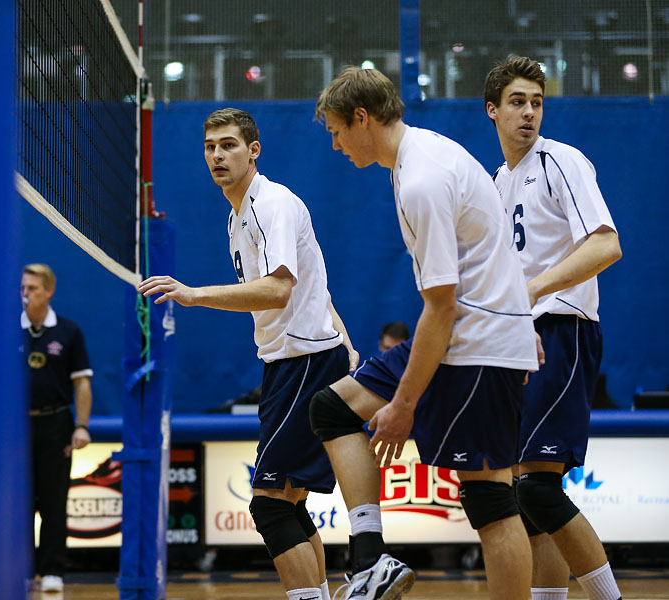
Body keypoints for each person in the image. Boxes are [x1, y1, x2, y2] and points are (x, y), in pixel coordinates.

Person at [309, 66, 541, 600]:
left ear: (362, 118)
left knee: (491, 501)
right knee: (333, 408)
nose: (337, 144)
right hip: (476, 330)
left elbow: (441, 303)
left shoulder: (422, 178)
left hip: (477, 342)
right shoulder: (420, 156)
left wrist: (405, 403)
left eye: (337, 130)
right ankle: (370, 561)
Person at [138, 108, 359, 600]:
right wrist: (344, 339)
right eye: (210, 147)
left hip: (303, 362)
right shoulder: (238, 216)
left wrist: (193, 294)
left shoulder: (271, 204)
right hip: (293, 362)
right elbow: (311, 284)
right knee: (291, 501)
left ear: (253, 150)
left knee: (271, 505)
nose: (217, 154)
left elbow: (279, 289)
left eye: (229, 145)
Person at [484, 56, 623, 600]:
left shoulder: (561, 161)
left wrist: (534, 290)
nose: (529, 113)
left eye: (537, 102)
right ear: (492, 110)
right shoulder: (497, 180)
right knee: (527, 494)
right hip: (521, 342)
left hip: (562, 331)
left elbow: (606, 245)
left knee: (539, 489)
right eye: (517, 102)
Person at [20, 263, 94, 594]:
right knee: (16, 502)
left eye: (32, 289)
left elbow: (82, 385)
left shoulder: (68, 332)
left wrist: (81, 426)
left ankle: (52, 570)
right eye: (22, 289)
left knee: (53, 501)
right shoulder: (9, 331)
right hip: (16, 428)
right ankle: (21, 569)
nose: (25, 296)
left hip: (55, 424)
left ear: (48, 291)